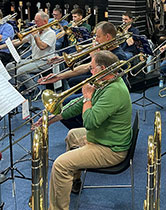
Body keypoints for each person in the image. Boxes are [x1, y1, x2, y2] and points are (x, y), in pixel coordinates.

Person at [34, 50, 132, 210]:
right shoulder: (104, 82)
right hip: (104, 136)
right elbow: (79, 105)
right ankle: (75, 181)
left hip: (111, 149)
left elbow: (90, 122)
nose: (90, 71)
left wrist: (87, 97)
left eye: (92, 68)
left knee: (60, 165)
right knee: (72, 135)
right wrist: (51, 119)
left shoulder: (114, 91)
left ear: (102, 68)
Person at [38, 21, 127, 129]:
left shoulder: (118, 56)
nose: (96, 40)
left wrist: (95, 56)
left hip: (107, 93)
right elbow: (87, 66)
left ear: (107, 37)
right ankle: (81, 131)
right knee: (65, 103)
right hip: (97, 88)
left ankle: (84, 130)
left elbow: (106, 81)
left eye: (98, 36)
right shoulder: (104, 50)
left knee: (66, 104)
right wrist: (58, 76)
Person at [2, 11, 56, 98]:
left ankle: (34, 89)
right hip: (33, 60)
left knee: (20, 71)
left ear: (45, 22)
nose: (34, 23)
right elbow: (19, 41)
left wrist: (35, 36)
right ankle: (23, 85)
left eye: (37, 21)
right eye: (34, 20)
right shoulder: (36, 31)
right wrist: (2, 46)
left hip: (45, 62)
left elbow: (42, 46)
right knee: (9, 67)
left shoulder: (51, 33)